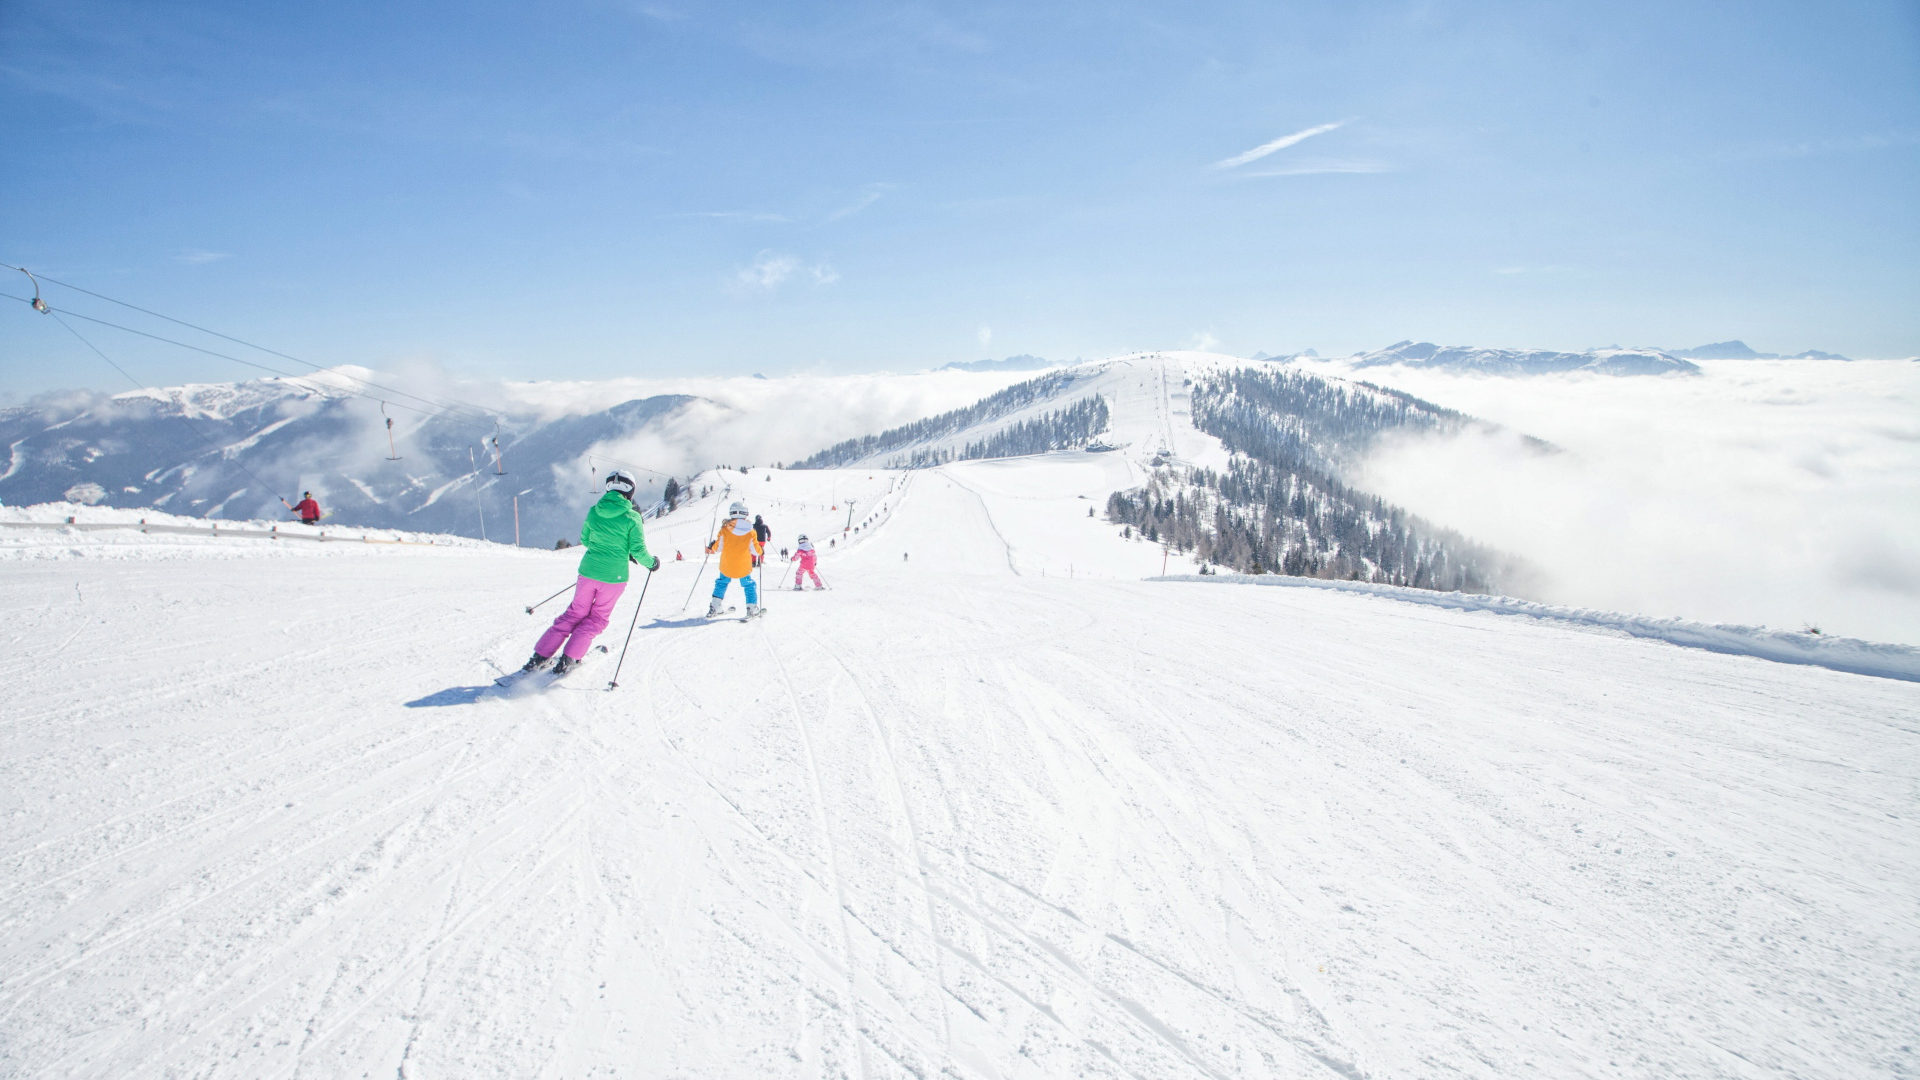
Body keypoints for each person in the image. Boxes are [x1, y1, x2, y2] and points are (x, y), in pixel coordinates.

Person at [517, 472, 659, 677]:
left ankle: (540, 656)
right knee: (597, 618)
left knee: (574, 613)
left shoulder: (595, 511)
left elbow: (585, 539)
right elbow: (638, 550)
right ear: (631, 490)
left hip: (588, 571)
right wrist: (652, 563)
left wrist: (603, 549)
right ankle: (570, 658)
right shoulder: (632, 517)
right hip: (614, 577)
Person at [706, 501, 763, 617]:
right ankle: (751, 608)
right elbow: (755, 551)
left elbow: (718, 548)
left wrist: (712, 545)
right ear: (746, 513)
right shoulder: (751, 532)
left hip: (726, 565)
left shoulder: (725, 530)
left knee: (722, 582)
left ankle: (715, 606)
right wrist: (761, 550)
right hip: (743, 566)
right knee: (748, 584)